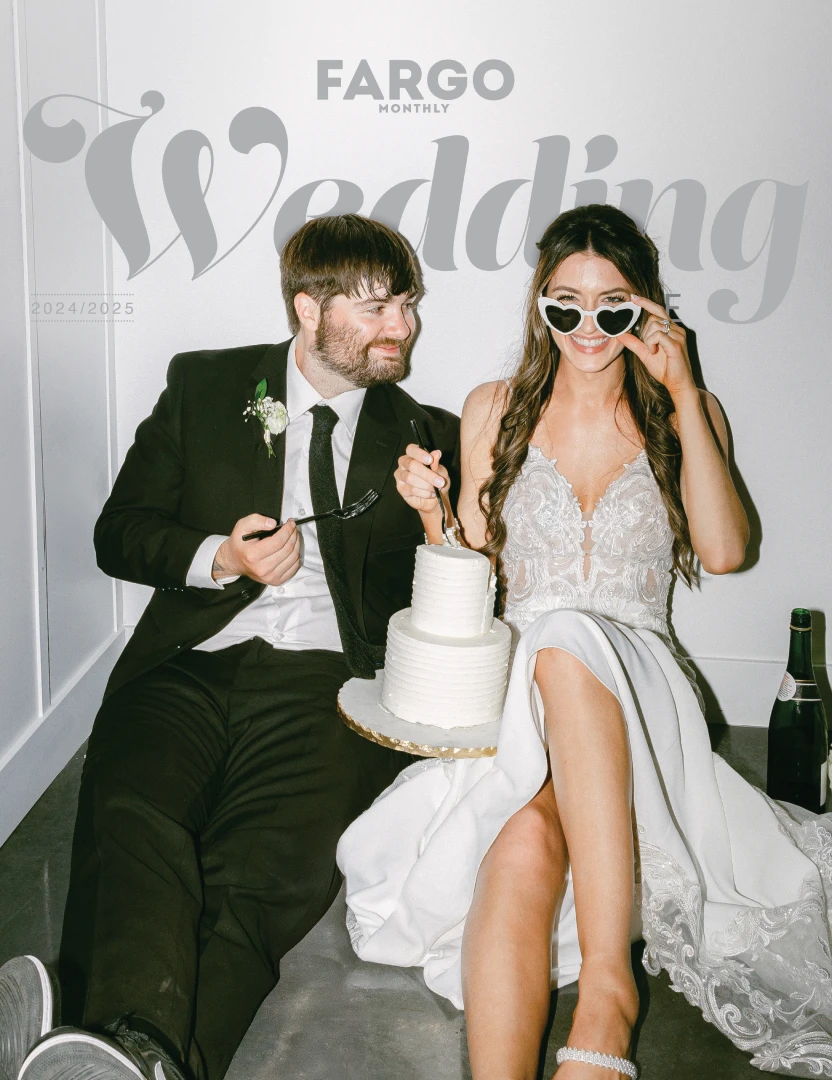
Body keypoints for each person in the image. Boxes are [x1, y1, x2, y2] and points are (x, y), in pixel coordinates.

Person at [337, 204, 832, 1079]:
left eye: (614, 308)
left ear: (645, 311)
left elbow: (726, 549)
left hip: (639, 689)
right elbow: (478, 571)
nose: (588, 328)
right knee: (524, 841)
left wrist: (683, 391)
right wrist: (432, 514)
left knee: (568, 637)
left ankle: (610, 985)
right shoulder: (494, 409)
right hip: (526, 693)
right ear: (541, 308)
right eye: (565, 307)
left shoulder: (689, 409)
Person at [0, 214, 460, 1080]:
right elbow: (120, 533)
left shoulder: (428, 433)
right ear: (306, 309)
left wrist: (439, 519)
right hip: (191, 659)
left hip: (330, 684)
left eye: (406, 303)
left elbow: (447, 602)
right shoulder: (207, 386)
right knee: (136, 817)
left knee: (262, 875)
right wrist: (220, 557)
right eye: (374, 308)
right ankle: (139, 1053)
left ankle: (115, 1047)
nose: (403, 326)